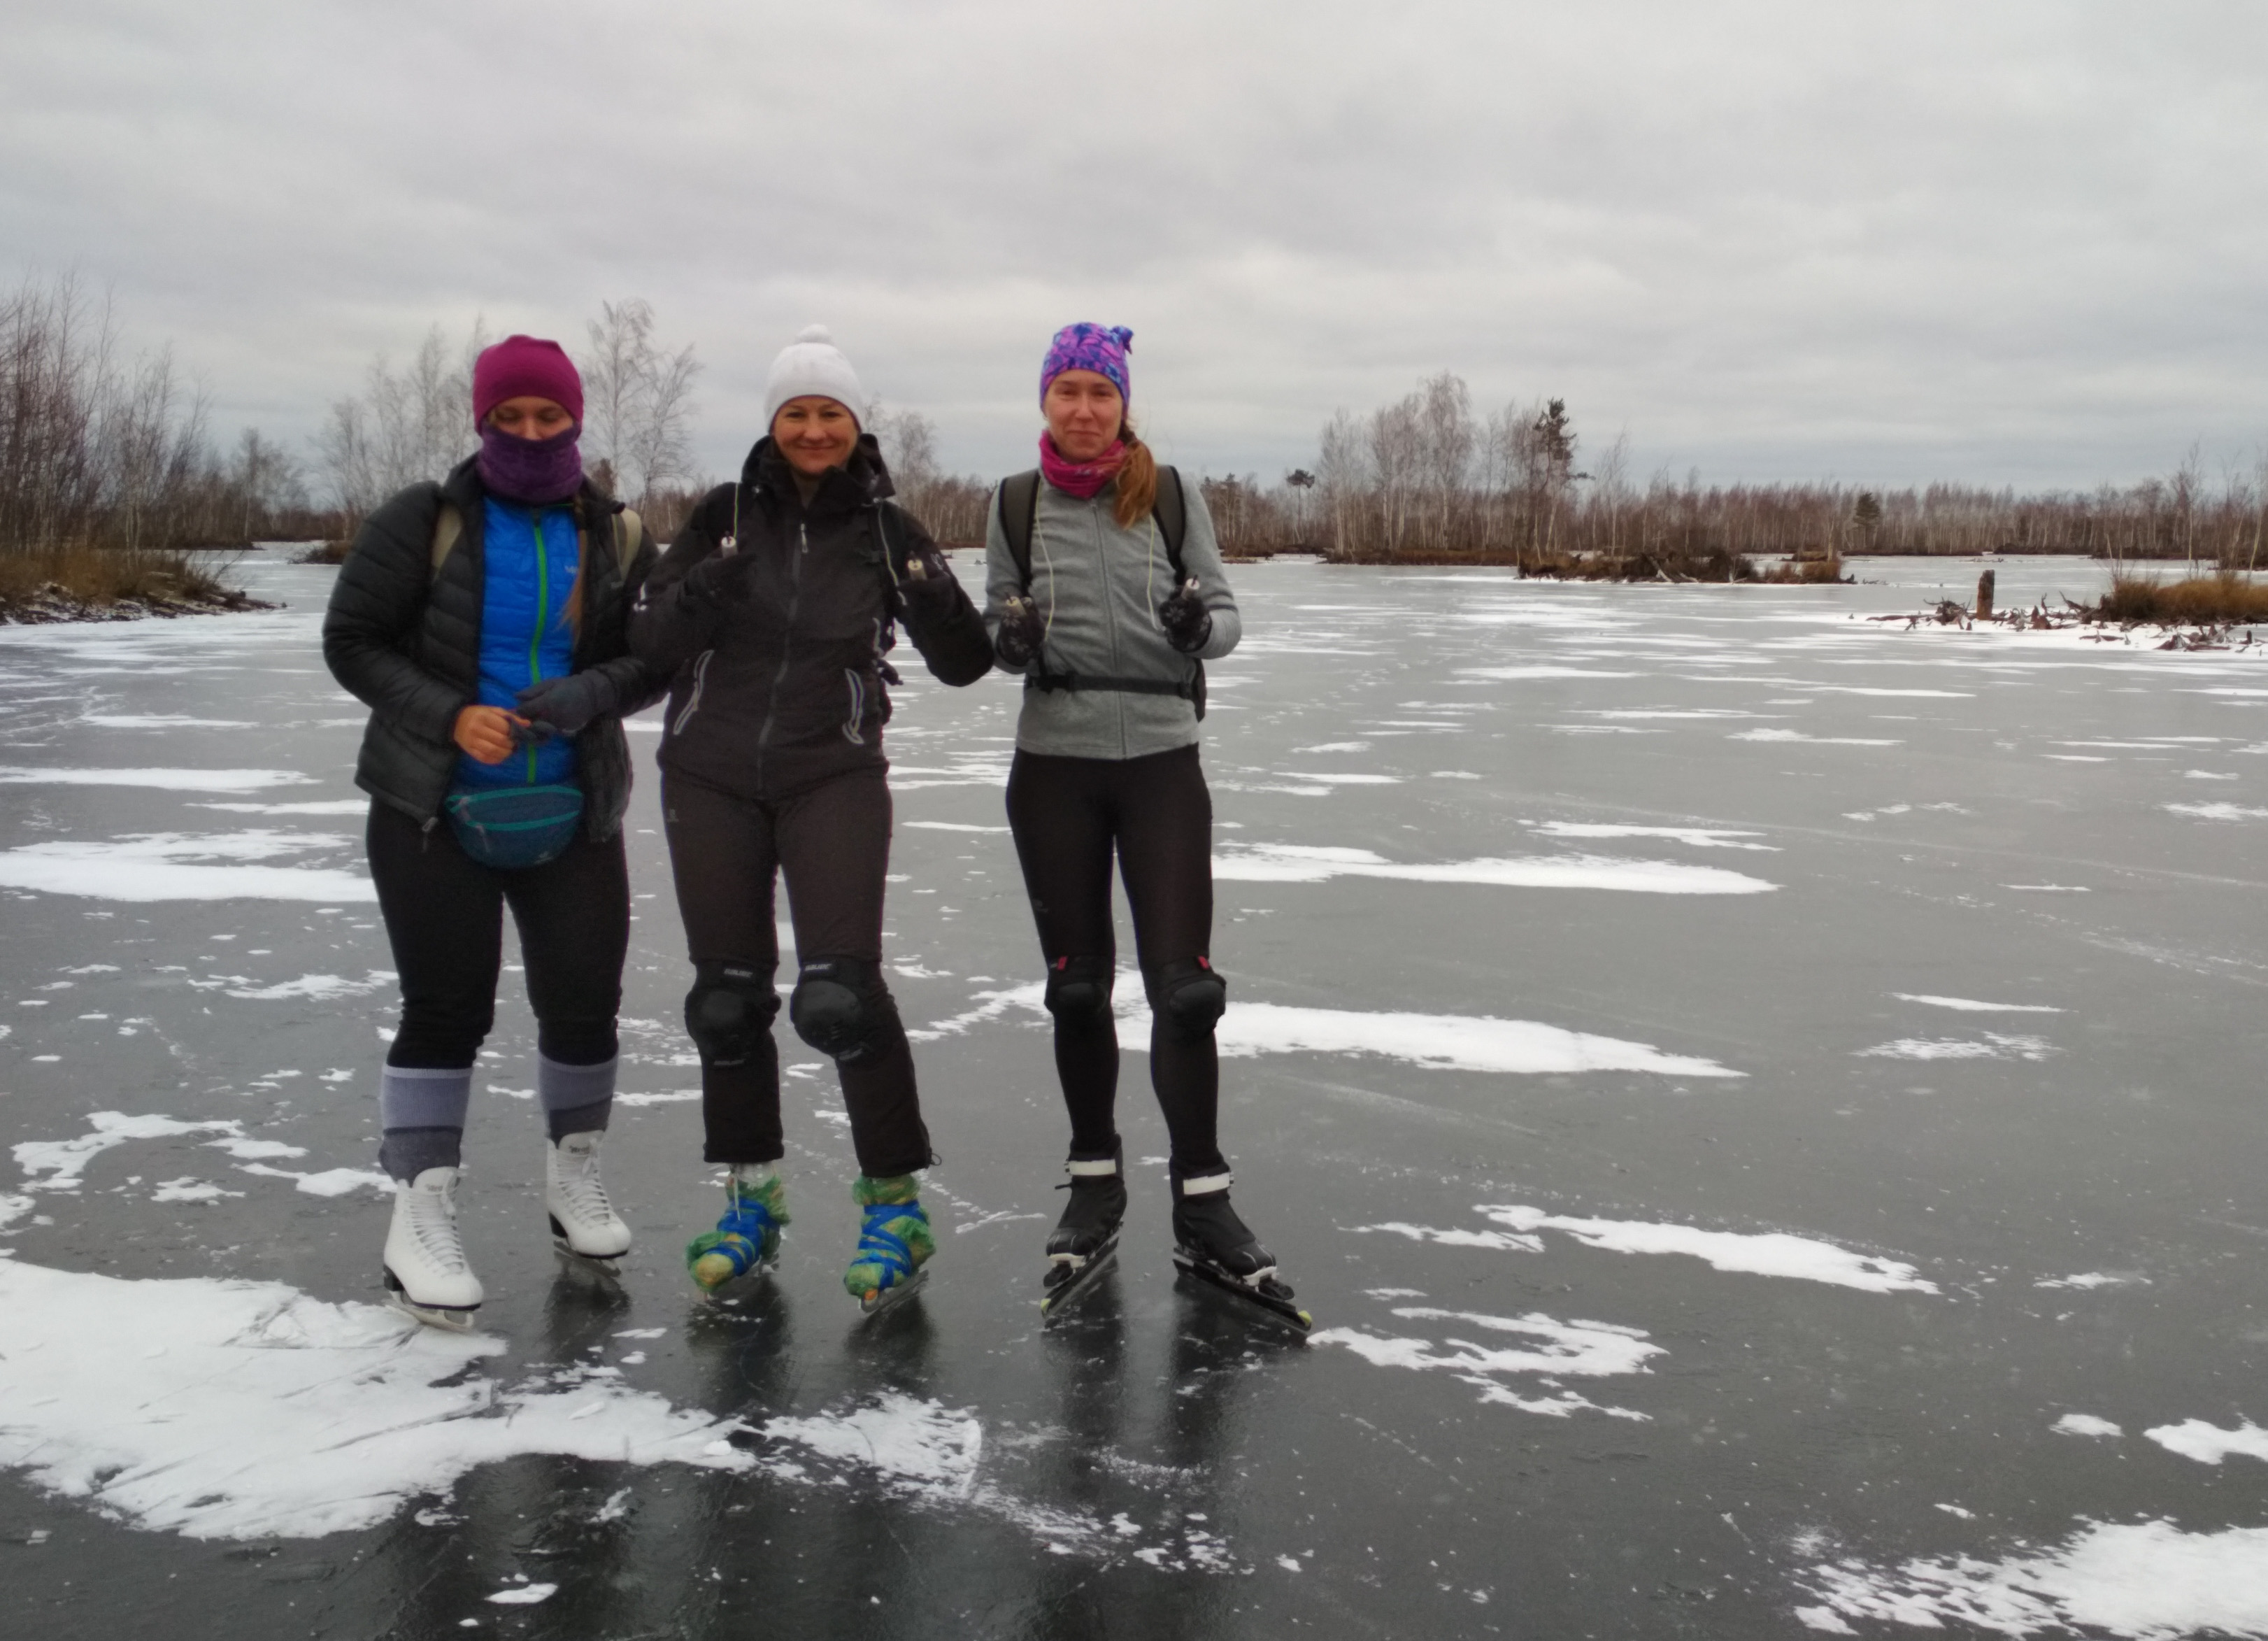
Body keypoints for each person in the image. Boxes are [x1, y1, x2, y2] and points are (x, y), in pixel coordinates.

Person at [629, 326, 992, 1312]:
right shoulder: (720, 516)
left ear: (857, 425)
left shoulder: (886, 528)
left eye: (832, 413)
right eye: (797, 412)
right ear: (773, 423)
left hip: (831, 772)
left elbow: (965, 662)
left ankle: (896, 1208)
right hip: (708, 775)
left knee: (840, 995)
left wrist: (931, 590)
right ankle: (751, 1201)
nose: (815, 429)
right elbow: (647, 641)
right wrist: (696, 591)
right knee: (727, 999)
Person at [323, 334, 661, 1329]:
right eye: (508, 416)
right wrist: (448, 714)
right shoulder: (423, 519)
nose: (529, 431)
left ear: (575, 420)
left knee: (586, 1004)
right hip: (432, 810)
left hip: (574, 807)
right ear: (480, 422)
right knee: (445, 1009)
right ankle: (419, 1216)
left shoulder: (620, 534)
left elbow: (655, 659)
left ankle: (574, 1179)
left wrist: (587, 695)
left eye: (547, 415)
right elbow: (351, 640)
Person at [985, 322, 1297, 1318]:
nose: (1084, 408)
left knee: (1187, 992)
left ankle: (1204, 1203)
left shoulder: (1168, 494)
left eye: (1101, 392)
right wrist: (1011, 636)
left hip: (1162, 762)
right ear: (1046, 400)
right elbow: (995, 620)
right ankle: (1094, 1185)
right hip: (1054, 767)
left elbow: (1231, 616)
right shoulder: (1014, 501)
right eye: (1068, 390)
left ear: (1123, 404)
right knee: (1077, 989)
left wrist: (1200, 627)